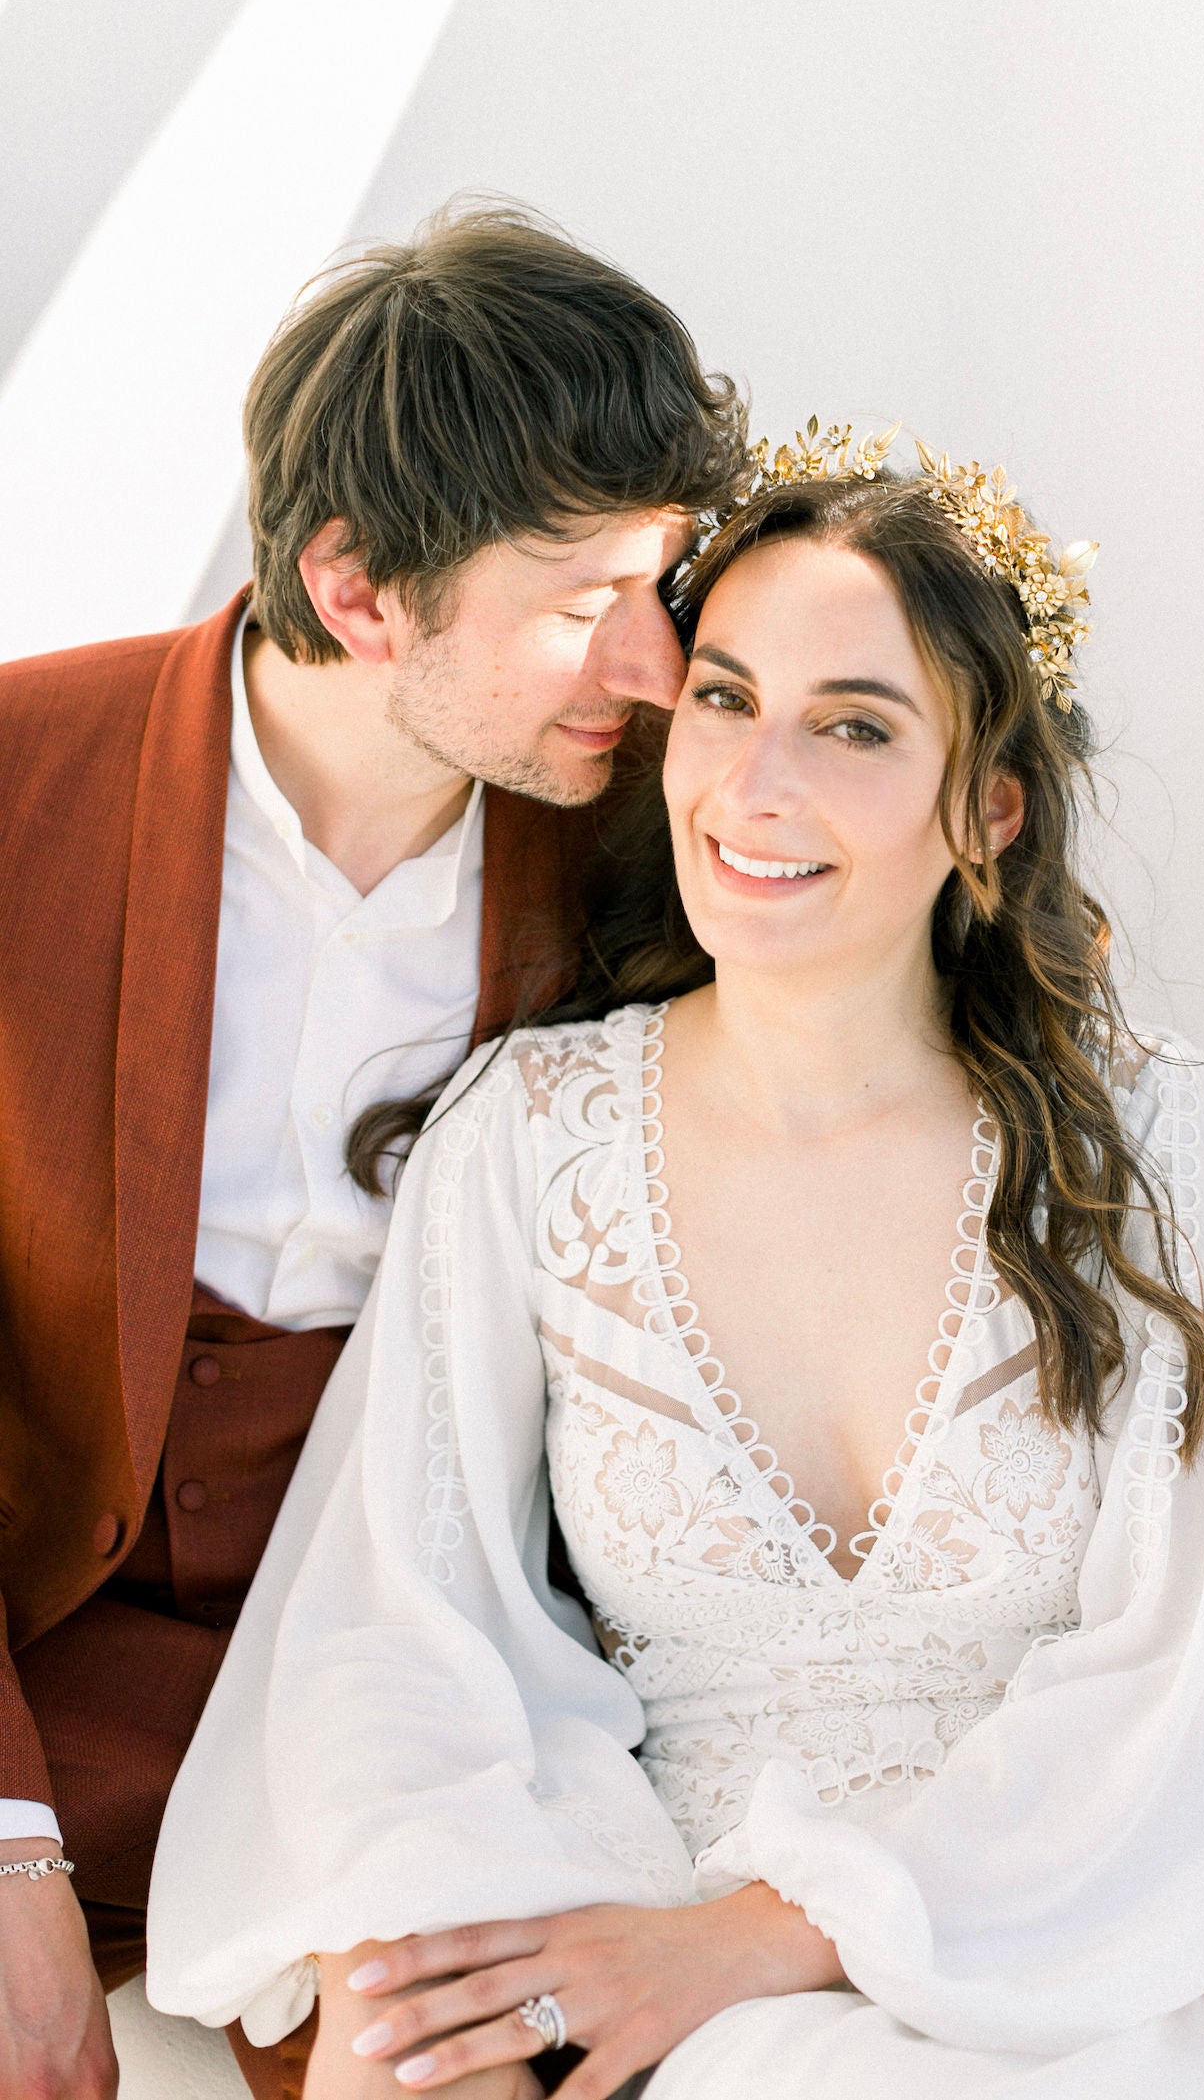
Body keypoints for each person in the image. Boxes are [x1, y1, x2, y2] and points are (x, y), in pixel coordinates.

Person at [147, 432, 1204, 2099]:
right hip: (647, 1925)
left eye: (853, 726)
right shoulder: (534, 1134)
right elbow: (398, 1624)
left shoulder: (1141, 1142)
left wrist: (756, 1940)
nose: (756, 783)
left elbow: (1202, 1663)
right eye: (721, 700)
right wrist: (451, 1973)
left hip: (1055, 1949)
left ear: (988, 805)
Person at [0, 203, 746, 2100]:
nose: (658, 668)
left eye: (667, 586)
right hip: (40, 1647)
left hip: (423, 1660)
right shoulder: (18, 779)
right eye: (589, 596)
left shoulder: (659, 848)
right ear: (357, 586)